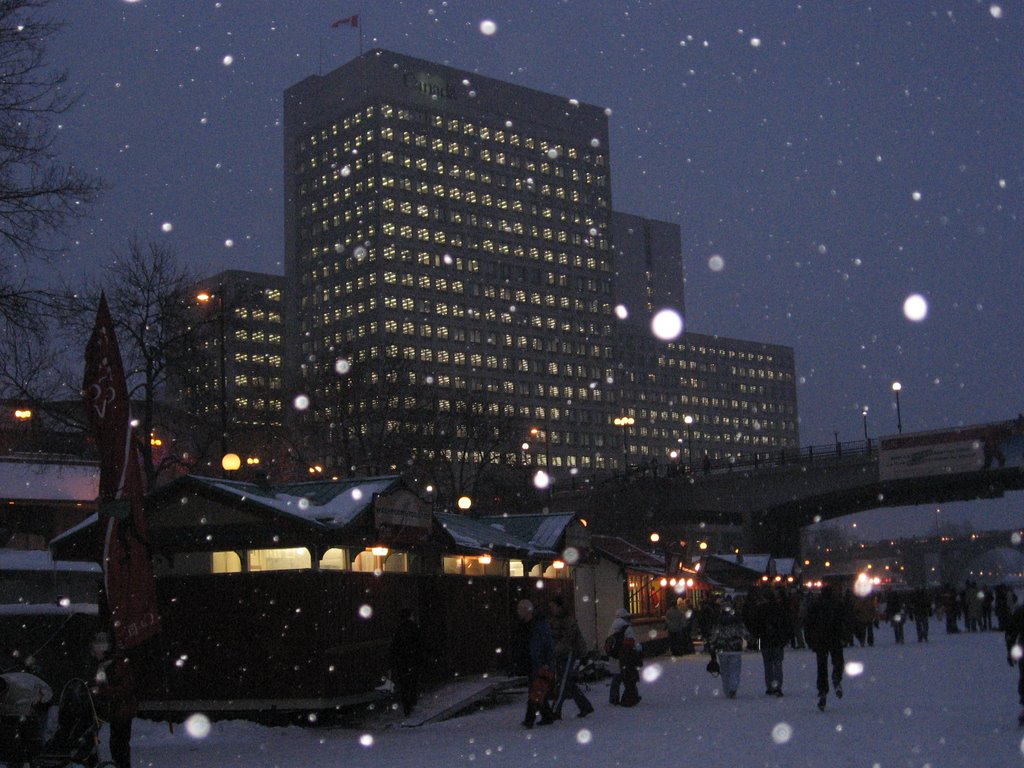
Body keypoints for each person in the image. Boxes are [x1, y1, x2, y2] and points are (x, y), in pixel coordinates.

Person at [90, 631, 137, 768]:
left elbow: (126, 688)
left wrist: (105, 692)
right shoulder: (104, 665)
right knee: (115, 743)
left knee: (119, 745)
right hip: (113, 709)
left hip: (121, 709)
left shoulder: (117, 664)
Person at [547, 595, 593, 719]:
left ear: (559, 607)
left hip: (569, 654)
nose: (551, 609)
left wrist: (554, 651)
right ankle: (585, 706)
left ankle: (555, 711)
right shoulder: (554, 620)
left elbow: (569, 640)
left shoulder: (567, 620)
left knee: (562, 683)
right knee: (568, 683)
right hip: (561, 654)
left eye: (553, 606)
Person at [805, 585, 850, 711]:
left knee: (822, 667)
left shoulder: (815, 606)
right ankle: (836, 678)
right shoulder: (837, 605)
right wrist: (845, 636)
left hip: (820, 640)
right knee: (838, 661)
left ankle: (823, 692)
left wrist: (809, 640)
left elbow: (808, 623)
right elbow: (845, 621)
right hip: (834, 638)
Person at [516, 599, 556, 728]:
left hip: (540, 663)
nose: (518, 613)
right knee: (537, 689)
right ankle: (547, 715)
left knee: (536, 690)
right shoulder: (528, 625)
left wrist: (546, 662)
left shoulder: (539, 625)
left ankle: (529, 720)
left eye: (520, 610)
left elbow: (547, 645)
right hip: (532, 662)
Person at [749, 587, 793, 697]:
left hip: (765, 640)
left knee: (767, 664)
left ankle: (769, 686)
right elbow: (786, 624)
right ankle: (777, 686)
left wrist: (757, 637)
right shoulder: (780, 609)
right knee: (778, 664)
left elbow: (756, 625)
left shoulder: (761, 609)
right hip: (777, 640)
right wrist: (785, 638)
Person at [707, 596, 749, 699]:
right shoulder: (736, 619)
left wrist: (712, 647)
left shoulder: (718, 620)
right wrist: (750, 639)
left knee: (725, 672)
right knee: (735, 670)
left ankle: (727, 690)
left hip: (722, 649)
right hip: (735, 648)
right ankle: (733, 688)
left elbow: (714, 635)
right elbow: (743, 631)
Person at [389, 608, 424, 717]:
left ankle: (407, 709)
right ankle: (412, 706)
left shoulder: (399, 630)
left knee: (404, 686)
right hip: (412, 660)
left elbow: (394, 647)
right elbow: (419, 644)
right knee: (412, 684)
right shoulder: (414, 628)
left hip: (402, 662)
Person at [607, 608, 642, 707]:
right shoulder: (626, 627)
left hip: (615, 655)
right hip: (625, 655)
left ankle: (613, 698)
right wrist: (638, 649)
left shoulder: (613, 626)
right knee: (630, 676)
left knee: (617, 677)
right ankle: (633, 696)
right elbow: (632, 641)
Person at [1005, 597, 1024, 726]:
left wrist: (1011, 650)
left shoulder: (1020, 611)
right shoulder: (1020, 612)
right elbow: (1011, 632)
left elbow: (1011, 633)